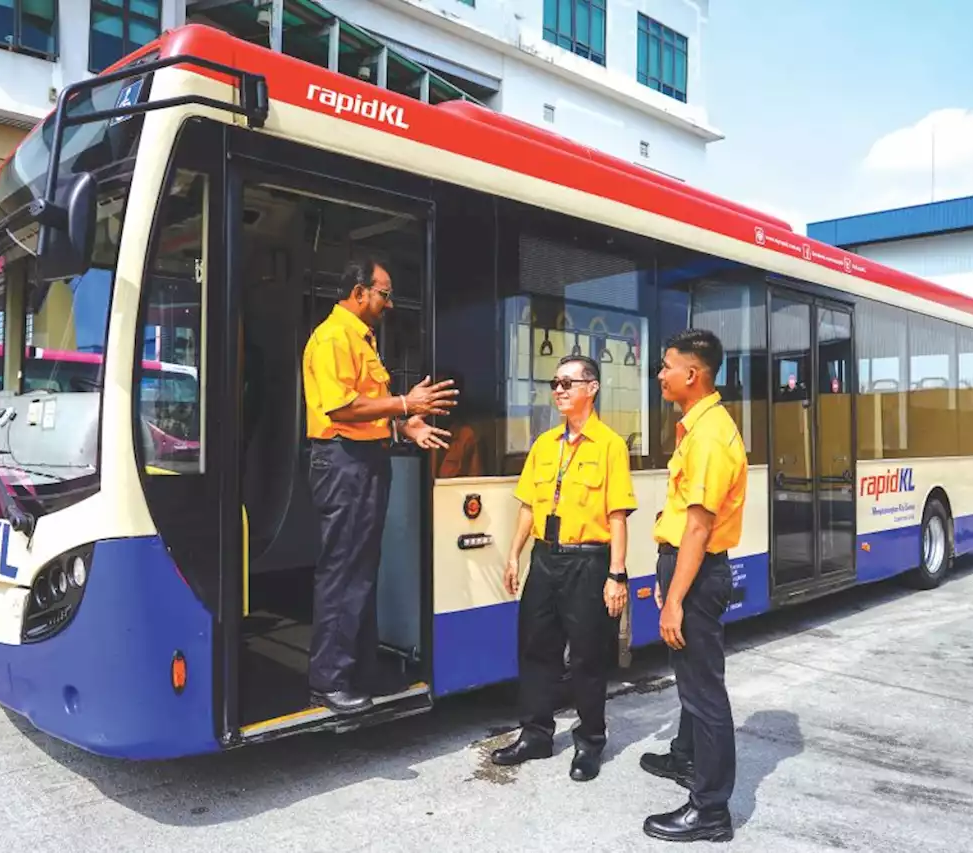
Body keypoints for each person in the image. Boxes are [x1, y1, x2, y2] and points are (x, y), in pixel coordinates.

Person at [302, 255, 458, 715]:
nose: (389, 303)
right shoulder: (333, 337)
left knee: (361, 569)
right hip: (344, 463)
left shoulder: (359, 339)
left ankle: (353, 671)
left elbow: (366, 412)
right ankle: (327, 681)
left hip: (363, 459)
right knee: (344, 571)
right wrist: (405, 402)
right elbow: (340, 408)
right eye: (384, 293)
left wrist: (404, 424)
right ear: (358, 292)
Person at [491, 354, 636, 782]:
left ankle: (590, 742)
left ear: (591, 388)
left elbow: (618, 516)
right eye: (555, 383)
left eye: (568, 383)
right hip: (545, 557)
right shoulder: (544, 444)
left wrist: (617, 574)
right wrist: (515, 554)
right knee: (536, 648)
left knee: (588, 657)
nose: (559, 390)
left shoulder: (610, 445)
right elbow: (527, 507)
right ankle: (535, 734)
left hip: (588, 562)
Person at [640, 329, 747, 843]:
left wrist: (675, 598)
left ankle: (709, 812)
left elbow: (700, 529)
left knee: (704, 693)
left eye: (665, 366)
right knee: (694, 684)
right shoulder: (699, 428)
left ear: (692, 374)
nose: (659, 374)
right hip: (689, 568)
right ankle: (687, 763)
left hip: (699, 574)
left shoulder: (708, 436)